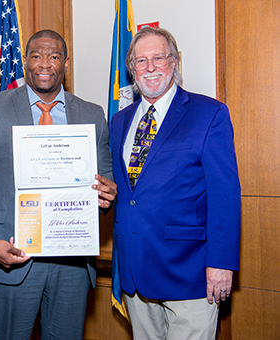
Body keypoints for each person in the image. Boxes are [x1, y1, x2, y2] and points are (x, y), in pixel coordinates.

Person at [0, 29, 117, 340]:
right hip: (10, 257)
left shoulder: (92, 114)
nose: (45, 63)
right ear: (25, 61)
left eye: (54, 56)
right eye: (37, 55)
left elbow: (105, 179)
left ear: (66, 63)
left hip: (72, 262)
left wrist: (108, 194)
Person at [109, 26, 241, 339]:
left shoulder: (209, 114)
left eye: (159, 58)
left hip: (190, 273)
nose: (150, 67)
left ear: (174, 63)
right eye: (141, 61)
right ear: (132, 70)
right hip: (134, 272)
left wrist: (221, 264)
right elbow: (126, 194)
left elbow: (224, 197)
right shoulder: (119, 122)